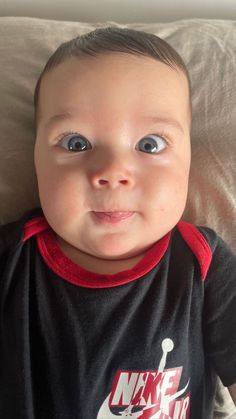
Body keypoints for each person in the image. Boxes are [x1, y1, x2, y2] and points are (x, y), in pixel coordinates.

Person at [0, 26, 235, 419]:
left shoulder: (204, 266)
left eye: (150, 145)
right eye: (76, 143)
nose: (112, 172)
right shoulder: (11, 261)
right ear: (36, 159)